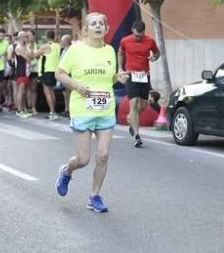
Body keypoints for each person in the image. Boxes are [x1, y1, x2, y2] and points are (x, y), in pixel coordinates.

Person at [54, 12, 130, 213]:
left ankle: (94, 196)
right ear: (86, 29)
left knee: (103, 155)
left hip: (105, 108)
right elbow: (59, 73)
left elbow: (108, 79)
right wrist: (76, 85)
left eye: (101, 24)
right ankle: (67, 171)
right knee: (83, 159)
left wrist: (117, 78)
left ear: (106, 29)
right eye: (93, 24)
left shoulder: (109, 51)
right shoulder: (76, 49)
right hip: (82, 108)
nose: (98, 26)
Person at [118, 20, 160, 149]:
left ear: (144, 32)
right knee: (134, 104)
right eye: (136, 35)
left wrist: (154, 57)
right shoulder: (125, 40)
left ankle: (132, 121)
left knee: (143, 105)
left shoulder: (150, 41)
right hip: (131, 75)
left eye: (140, 36)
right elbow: (120, 52)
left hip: (144, 75)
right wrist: (120, 68)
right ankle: (137, 136)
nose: (138, 38)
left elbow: (157, 53)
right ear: (132, 30)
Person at [38, 31, 63, 120]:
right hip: (55, 71)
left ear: (46, 36)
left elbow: (35, 55)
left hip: (47, 71)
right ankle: (53, 112)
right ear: (54, 36)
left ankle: (52, 112)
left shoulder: (46, 46)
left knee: (47, 92)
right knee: (52, 92)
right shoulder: (58, 46)